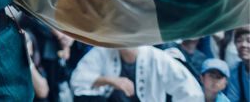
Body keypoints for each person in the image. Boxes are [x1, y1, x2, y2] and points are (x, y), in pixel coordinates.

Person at [69, 46, 203, 101]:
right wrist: (110, 80)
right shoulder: (103, 51)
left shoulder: (156, 58)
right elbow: (78, 79)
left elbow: (190, 91)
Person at [227, 27, 250, 102]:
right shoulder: (235, 71)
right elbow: (232, 99)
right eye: (239, 41)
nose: (243, 45)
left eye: (249, 41)